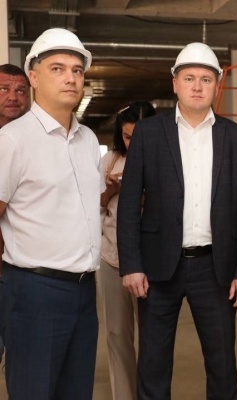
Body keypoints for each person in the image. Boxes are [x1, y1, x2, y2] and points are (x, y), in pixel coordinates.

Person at [117, 42, 237, 400]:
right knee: (153, 364)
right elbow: (129, 203)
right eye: (189, 78)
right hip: (157, 268)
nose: (197, 86)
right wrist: (131, 265)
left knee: (223, 365)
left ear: (217, 85)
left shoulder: (236, 138)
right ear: (175, 83)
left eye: (206, 79)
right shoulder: (149, 133)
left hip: (215, 268)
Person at [0, 28, 103, 399]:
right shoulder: (12, 140)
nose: (70, 78)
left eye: (77, 70)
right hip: (34, 292)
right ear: (34, 77)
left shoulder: (89, 140)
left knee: (76, 392)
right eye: (57, 69)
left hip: (85, 291)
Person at [99, 101, 156, 400]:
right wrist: (112, 189)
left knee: (153, 337)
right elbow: (95, 204)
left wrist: (141, 194)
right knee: (117, 334)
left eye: (139, 135)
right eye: (128, 136)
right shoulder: (110, 160)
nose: (133, 142)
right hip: (112, 258)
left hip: (153, 262)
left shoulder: (165, 158)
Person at [0, 63, 30, 365]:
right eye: (3, 89)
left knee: (24, 358)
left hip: (24, 273)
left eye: (21, 90)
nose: (13, 96)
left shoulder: (36, 142)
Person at [0, 64, 30, 128]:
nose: (13, 98)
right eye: (4, 89)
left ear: (27, 96)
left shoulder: (39, 130)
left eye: (20, 91)